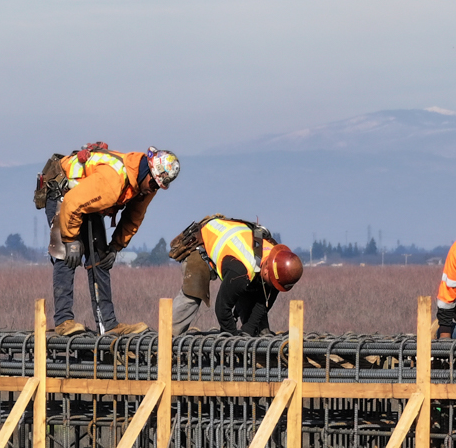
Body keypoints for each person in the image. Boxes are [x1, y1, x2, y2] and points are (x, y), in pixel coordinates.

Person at [41, 144, 180, 336]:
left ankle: (108, 325)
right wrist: (70, 239)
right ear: (147, 171)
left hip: (88, 201)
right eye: (154, 184)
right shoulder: (113, 181)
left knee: (100, 258)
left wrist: (115, 246)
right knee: (66, 255)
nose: (153, 189)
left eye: (158, 186)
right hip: (63, 195)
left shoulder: (145, 185)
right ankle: (63, 321)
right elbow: (73, 203)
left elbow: (134, 216)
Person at [169, 216, 304, 336]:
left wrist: (248, 331)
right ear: (267, 269)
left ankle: (260, 348)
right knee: (193, 293)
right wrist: (233, 341)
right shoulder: (241, 271)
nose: (273, 286)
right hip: (202, 243)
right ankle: (167, 339)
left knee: (255, 290)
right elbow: (222, 309)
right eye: (272, 282)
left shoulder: (278, 265)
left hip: (237, 255)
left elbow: (263, 303)